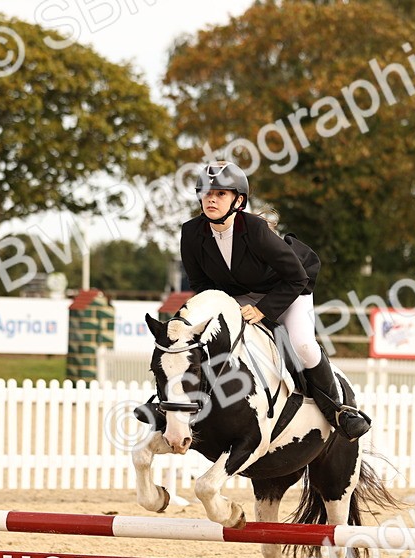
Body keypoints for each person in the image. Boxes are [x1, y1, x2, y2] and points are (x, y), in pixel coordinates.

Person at [138, 162, 370, 441]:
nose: (211, 198)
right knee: (193, 339)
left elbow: (295, 277)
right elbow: (201, 285)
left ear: (239, 200)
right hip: (238, 295)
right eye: (206, 193)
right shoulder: (191, 232)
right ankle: (167, 406)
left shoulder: (256, 230)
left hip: (287, 289)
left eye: (221, 194)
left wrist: (263, 310)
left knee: (302, 344)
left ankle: (341, 411)